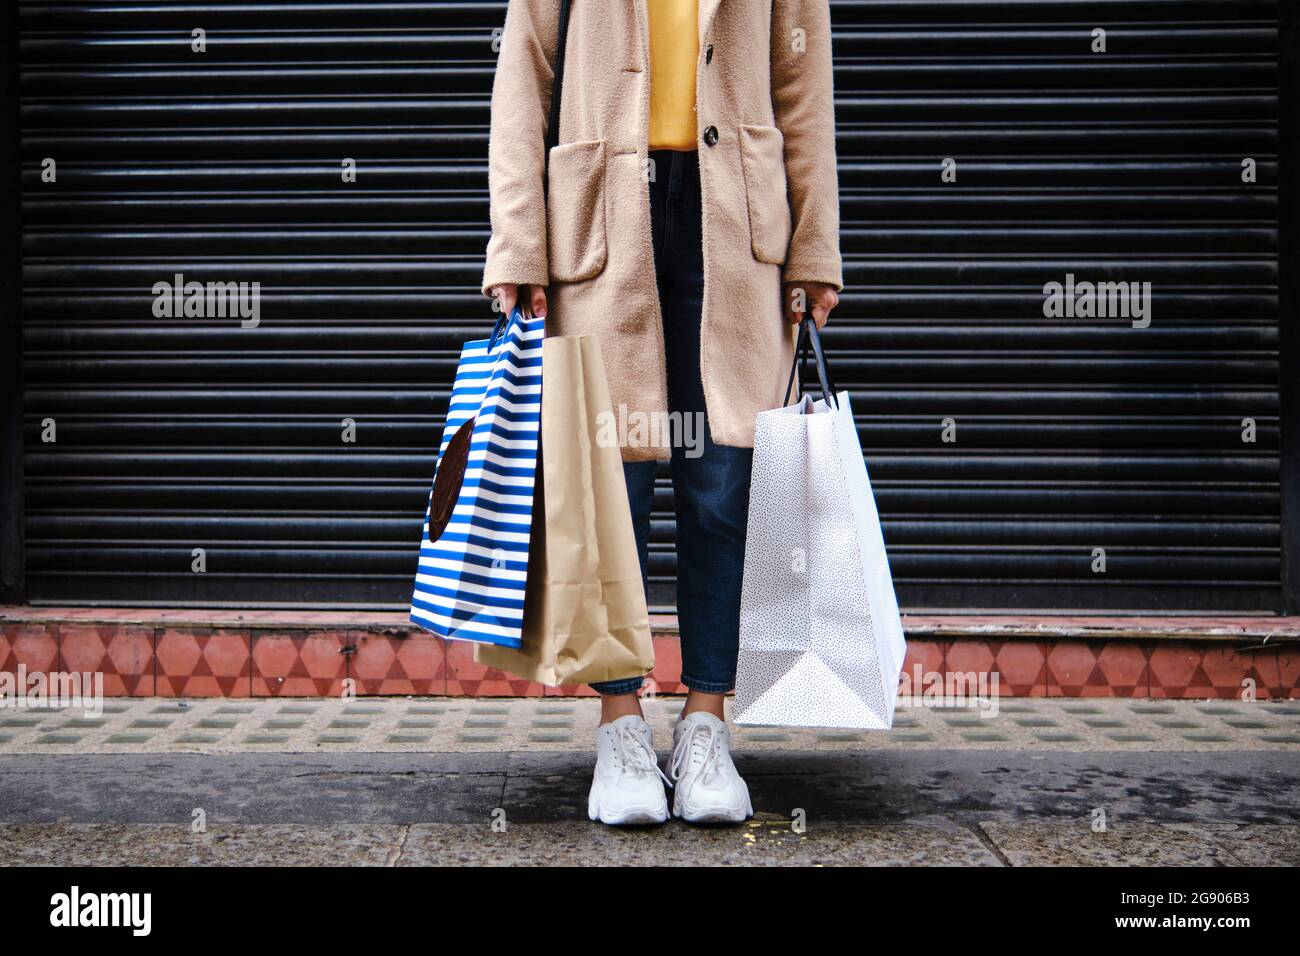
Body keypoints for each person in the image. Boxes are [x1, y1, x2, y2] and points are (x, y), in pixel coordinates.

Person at [483, 0, 842, 825]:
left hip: (737, 216)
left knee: (723, 488)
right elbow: (524, 71)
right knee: (613, 492)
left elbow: (802, 82)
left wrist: (815, 245)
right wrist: (517, 243)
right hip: (601, 211)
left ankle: (707, 723)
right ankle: (620, 727)